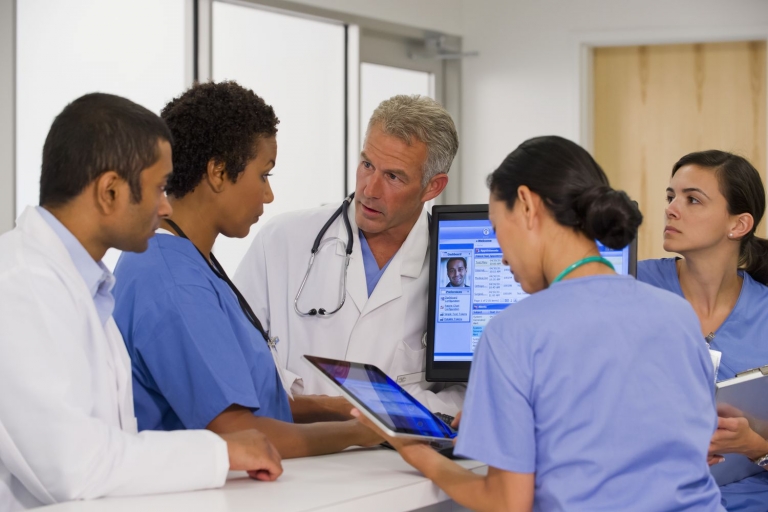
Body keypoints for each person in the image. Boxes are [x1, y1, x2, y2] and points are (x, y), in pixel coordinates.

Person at [353, 136, 724, 511]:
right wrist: (502, 420)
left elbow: (505, 503)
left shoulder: (512, 333)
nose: (501, 259)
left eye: (498, 232)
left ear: (528, 206)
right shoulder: (676, 313)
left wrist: (417, 454)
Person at [0, 93, 283, 511]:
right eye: (159, 188)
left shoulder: (85, 286)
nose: (167, 205)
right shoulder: (21, 283)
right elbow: (70, 468)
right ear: (110, 191)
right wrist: (220, 453)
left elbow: (112, 445)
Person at [112, 81, 380, 459]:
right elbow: (238, 432)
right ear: (218, 172)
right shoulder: (175, 282)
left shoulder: (183, 259)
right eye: (264, 174)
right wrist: (359, 433)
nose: (268, 194)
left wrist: (332, 408)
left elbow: (247, 404)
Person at [234, 95, 465, 415]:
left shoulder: (456, 264)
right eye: (367, 164)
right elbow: (235, 356)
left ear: (433, 187)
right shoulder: (282, 239)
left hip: (396, 461)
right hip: (293, 454)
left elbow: (471, 390)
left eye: (393, 176)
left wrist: (387, 410)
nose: (370, 189)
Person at [637, 150, 768, 511]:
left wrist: (755, 446)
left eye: (692, 199)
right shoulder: (629, 285)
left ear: (738, 225)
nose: (671, 208)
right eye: (670, 197)